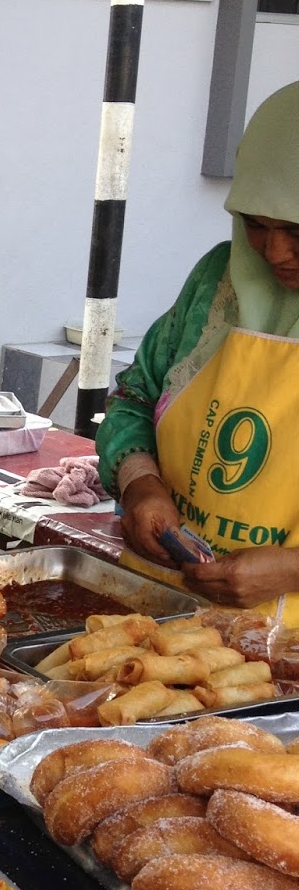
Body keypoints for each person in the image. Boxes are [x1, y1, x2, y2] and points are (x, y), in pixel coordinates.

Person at [96, 80, 299, 617]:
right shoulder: (218, 279)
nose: (275, 252)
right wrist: (140, 483)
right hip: (165, 608)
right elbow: (136, 397)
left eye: (297, 229)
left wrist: (292, 569)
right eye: (255, 224)